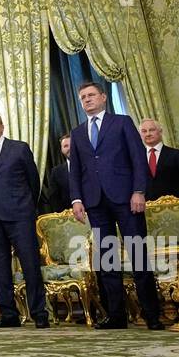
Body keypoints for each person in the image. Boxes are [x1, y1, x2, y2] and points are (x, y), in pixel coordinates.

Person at [68, 82, 163, 330]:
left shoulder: (122, 122)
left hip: (126, 199)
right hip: (95, 202)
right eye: (82, 97)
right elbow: (75, 170)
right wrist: (77, 199)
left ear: (103, 97)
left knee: (139, 256)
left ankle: (152, 315)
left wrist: (139, 191)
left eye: (91, 95)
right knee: (107, 261)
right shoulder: (77, 133)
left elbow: (137, 159)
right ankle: (116, 315)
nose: (87, 100)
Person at [0, 113, 49, 329]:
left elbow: (33, 181)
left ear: (2, 126)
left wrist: (26, 207)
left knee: (30, 264)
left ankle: (39, 313)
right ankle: (8, 314)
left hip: (20, 215)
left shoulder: (19, 148)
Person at [138, 118, 179, 201]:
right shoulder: (137, 159)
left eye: (152, 130)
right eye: (144, 131)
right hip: (148, 210)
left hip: (177, 208)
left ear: (160, 132)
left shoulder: (177, 155)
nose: (148, 134)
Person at [41, 135, 73, 213]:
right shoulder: (56, 172)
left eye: (72, 145)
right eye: (66, 146)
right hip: (68, 218)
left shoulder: (90, 166)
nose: (70, 148)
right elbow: (54, 199)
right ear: (61, 150)